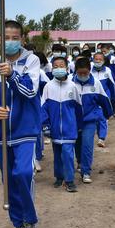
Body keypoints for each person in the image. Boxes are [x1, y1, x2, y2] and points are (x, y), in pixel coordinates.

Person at [0, 20, 42, 228]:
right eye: (6, 37)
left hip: (25, 130)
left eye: (16, 38)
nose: (11, 41)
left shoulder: (31, 61)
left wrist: (13, 75)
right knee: (8, 179)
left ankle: (31, 221)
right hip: (2, 133)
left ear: (22, 40)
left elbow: (30, 91)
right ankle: (17, 223)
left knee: (23, 174)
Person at [41, 56, 82, 193]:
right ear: (52, 69)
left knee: (68, 154)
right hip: (54, 129)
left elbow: (78, 108)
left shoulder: (72, 86)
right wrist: (46, 125)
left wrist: (79, 125)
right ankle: (59, 177)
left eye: (61, 65)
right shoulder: (48, 87)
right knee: (57, 154)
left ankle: (69, 181)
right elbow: (43, 108)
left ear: (67, 67)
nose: (59, 68)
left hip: (70, 129)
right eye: (56, 66)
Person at [73, 57, 113, 183]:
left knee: (87, 145)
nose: (83, 75)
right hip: (74, 121)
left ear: (90, 70)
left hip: (90, 120)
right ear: (76, 71)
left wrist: (107, 114)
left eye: (85, 72)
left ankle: (86, 172)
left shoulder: (95, 83)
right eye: (80, 73)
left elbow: (104, 100)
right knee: (77, 144)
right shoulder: (70, 82)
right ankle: (79, 162)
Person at [91, 52, 115, 146]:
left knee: (103, 117)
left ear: (103, 61)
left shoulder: (107, 70)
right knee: (95, 117)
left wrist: (113, 98)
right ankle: (96, 133)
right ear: (93, 60)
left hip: (105, 96)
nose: (98, 61)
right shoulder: (90, 71)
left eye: (100, 59)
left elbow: (111, 84)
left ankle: (101, 138)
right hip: (93, 96)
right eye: (96, 59)